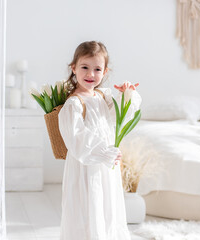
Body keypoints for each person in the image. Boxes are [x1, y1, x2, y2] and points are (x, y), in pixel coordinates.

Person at [58, 41, 141, 240]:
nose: (90, 74)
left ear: (105, 72)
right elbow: (77, 138)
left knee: (107, 208)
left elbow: (122, 114)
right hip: (86, 168)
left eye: (97, 69)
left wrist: (127, 93)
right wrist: (104, 152)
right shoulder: (74, 104)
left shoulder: (103, 97)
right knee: (88, 209)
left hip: (106, 168)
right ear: (74, 68)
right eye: (85, 67)